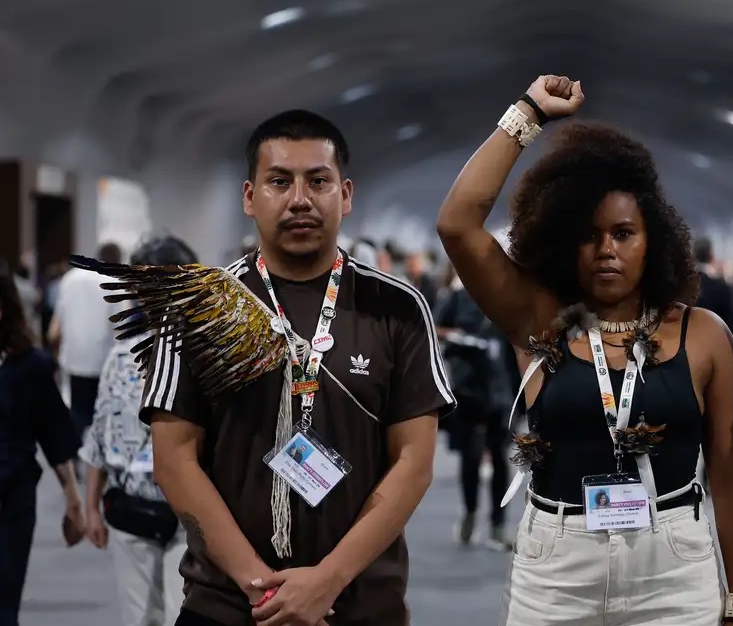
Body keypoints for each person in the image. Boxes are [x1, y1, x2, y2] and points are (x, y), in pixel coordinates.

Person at [78, 109, 456, 626]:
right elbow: (174, 459)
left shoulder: (397, 308)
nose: (300, 199)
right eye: (279, 181)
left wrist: (327, 581)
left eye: (318, 181)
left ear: (345, 195)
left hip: (361, 606)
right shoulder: (197, 308)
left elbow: (413, 462)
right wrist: (264, 592)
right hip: (226, 607)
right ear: (249, 197)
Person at [437, 75, 733, 626]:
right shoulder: (537, 320)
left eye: (623, 233)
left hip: (674, 572)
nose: (606, 249)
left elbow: (730, 474)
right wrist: (528, 113)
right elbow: (457, 223)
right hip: (557, 571)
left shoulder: (702, 334)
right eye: (589, 235)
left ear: (653, 240)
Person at [80, 236, 199, 626]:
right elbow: (100, 437)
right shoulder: (121, 356)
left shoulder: (208, 357)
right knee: (142, 617)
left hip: (192, 515)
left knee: (181, 615)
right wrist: (90, 507)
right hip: (134, 509)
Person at [0, 266, 85, 626]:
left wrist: (74, 501)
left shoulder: (28, 365)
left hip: (11, 496)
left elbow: (54, 433)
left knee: (4, 601)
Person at [435, 270, 514, 549]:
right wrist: (457, 337)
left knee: (500, 458)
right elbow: (433, 326)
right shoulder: (458, 297)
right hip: (468, 389)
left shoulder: (506, 298)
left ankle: (498, 525)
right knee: (471, 458)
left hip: (500, 391)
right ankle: (469, 513)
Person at [49, 242, 122, 436]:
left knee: (78, 416)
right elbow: (121, 331)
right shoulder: (116, 283)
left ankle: (76, 452)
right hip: (104, 363)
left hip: (73, 360)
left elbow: (55, 327)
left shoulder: (70, 278)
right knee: (104, 419)